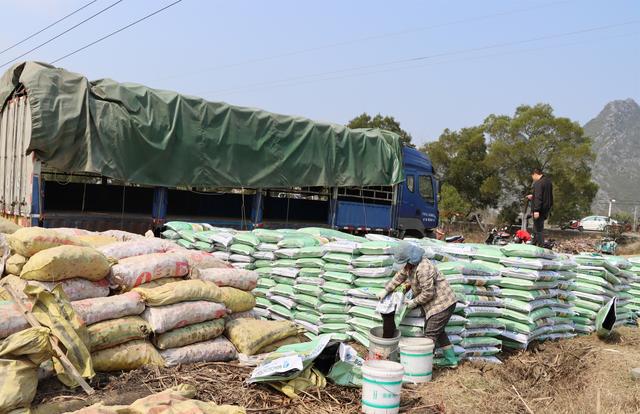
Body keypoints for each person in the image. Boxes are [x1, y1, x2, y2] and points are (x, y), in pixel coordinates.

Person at [377, 242, 459, 368]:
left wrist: (413, 302)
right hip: (435, 304)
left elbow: (428, 293)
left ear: (410, 259)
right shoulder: (409, 266)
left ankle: (422, 367)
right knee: (439, 331)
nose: (403, 266)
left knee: (429, 336)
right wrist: (386, 290)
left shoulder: (423, 269)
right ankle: (451, 360)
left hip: (442, 304)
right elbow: (400, 276)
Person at [527, 168, 553, 247]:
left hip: (539, 210)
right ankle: (534, 244)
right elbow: (546, 196)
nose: (532, 178)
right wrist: (533, 196)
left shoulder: (538, 183)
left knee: (538, 229)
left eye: (532, 176)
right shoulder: (548, 182)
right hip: (546, 209)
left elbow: (539, 197)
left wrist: (536, 210)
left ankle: (540, 246)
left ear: (535, 174)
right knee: (536, 228)